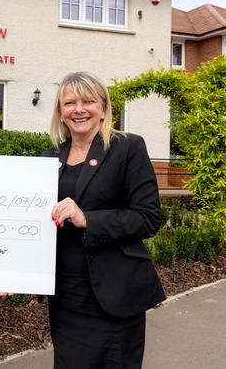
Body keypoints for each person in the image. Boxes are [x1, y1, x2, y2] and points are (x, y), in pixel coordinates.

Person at [44, 71, 165, 369]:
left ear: (104, 108)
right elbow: (33, 225)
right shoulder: (49, 157)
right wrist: (8, 274)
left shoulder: (127, 148)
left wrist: (87, 219)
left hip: (115, 295)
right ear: (60, 112)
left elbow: (149, 217)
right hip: (66, 297)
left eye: (88, 101)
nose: (79, 109)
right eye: (70, 103)